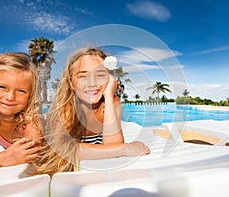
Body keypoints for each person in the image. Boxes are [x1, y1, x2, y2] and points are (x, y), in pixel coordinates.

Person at [32, 47, 150, 175]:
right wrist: (125, 149)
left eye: (100, 75)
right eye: (83, 76)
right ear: (71, 83)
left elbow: (113, 145)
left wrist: (109, 97)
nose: (92, 83)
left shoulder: (111, 102)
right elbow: (66, 148)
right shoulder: (65, 108)